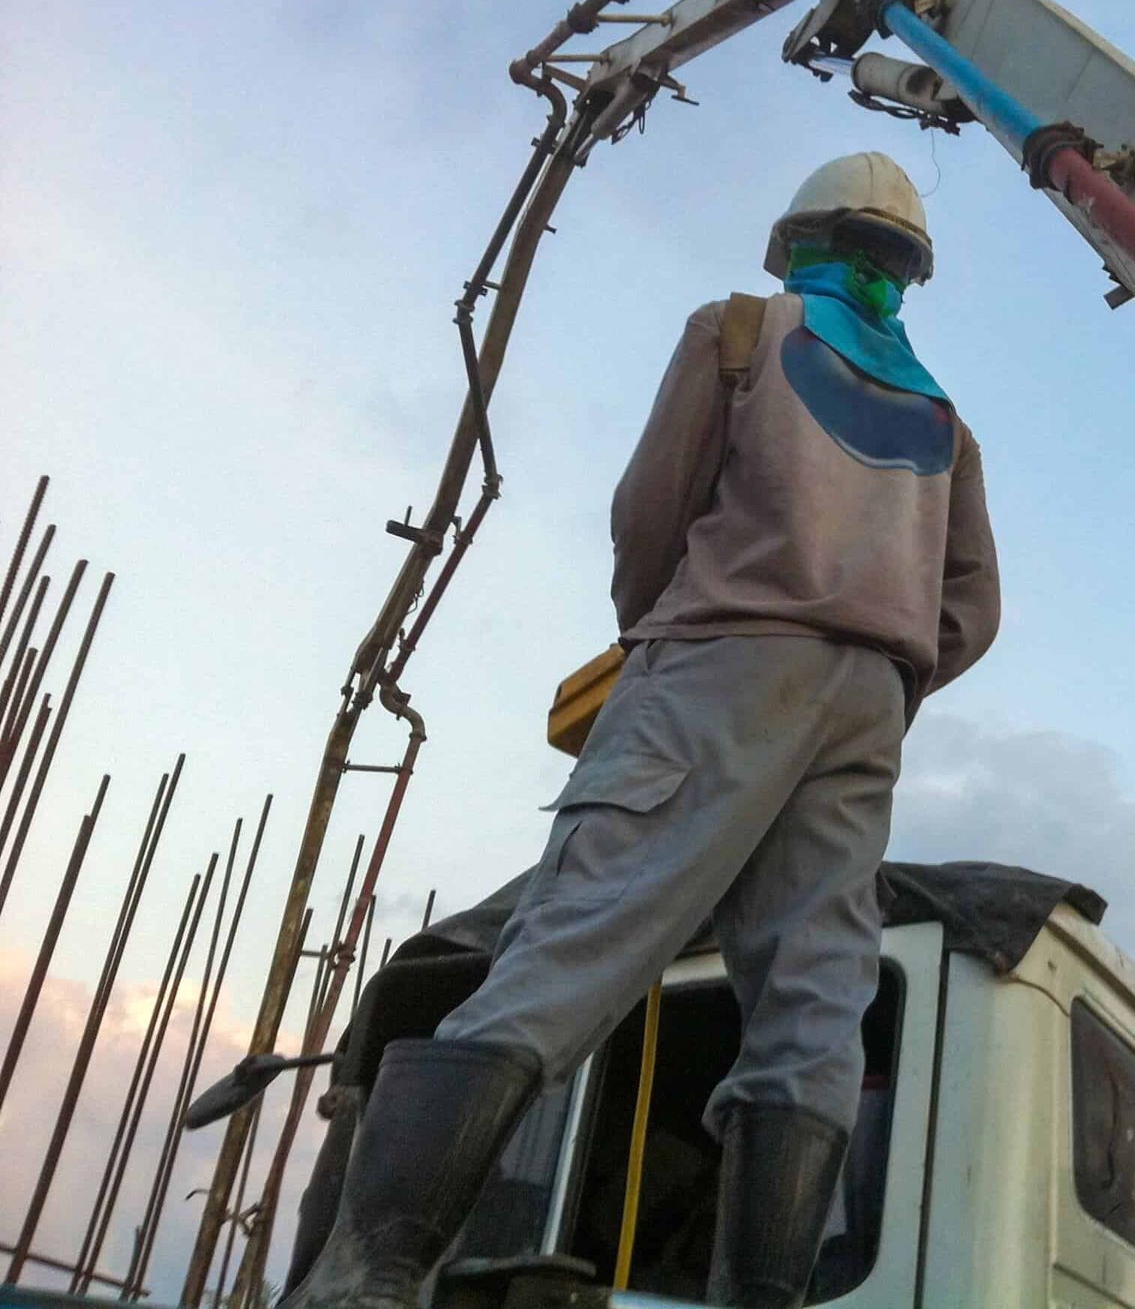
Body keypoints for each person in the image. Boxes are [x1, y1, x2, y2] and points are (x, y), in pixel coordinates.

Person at [286, 151, 1000, 1309]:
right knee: (815, 1006)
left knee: (577, 938)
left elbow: (650, 514)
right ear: (904, 269)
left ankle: (371, 1277)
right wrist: (886, 674)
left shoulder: (737, 333)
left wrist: (665, 635)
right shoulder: (943, 422)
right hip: (870, 709)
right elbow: (972, 606)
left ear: (799, 239)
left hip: (724, 657)